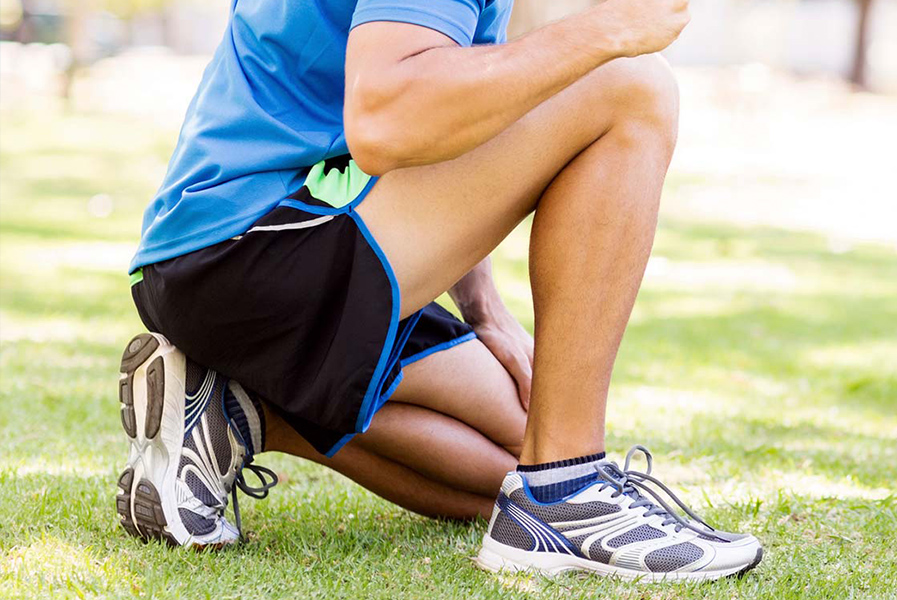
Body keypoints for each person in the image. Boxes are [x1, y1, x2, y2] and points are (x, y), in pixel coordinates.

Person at [116, 0, 762, 581]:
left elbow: (440, 130)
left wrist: (486, 311)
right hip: (253, 252)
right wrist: (611, 28)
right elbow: (387, 117)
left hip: (231, 267)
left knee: (519, 453)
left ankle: (239, 411)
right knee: (631, 88)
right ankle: (569, 488)